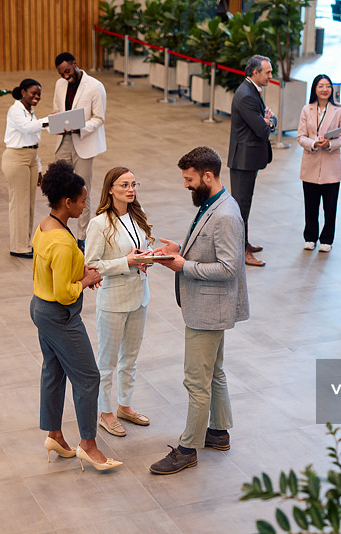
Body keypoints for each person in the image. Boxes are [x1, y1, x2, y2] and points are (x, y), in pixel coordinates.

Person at [149, 146, 249, 475]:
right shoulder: (213, 203)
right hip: (208, 306)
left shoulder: (224, 214)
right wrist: (179, 251)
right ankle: (218, 432)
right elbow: (209, 250)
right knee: (214, 372)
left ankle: (188, 447)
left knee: (196, 380)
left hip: (208, 310)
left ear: (208, 176)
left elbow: (229, 268)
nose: (185, 185)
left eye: (190, 179)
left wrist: (183, 265)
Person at [29, 159, 122, 472]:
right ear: (67, 202)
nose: (86, 205)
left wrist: (77, 270)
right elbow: (65, 292)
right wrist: (87, 280)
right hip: (60, 315)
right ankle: (88, 445)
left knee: (53, 372)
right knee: (88, 377)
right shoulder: (63, 242)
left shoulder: (46, 225)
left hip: (40, 308)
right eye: (82, 201)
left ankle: (54, 434)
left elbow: (51, 267)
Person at [84, 167, 153, 438]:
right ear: (110, 189)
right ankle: (105, 412)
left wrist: (148, 257)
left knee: (131, 358)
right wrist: (127, 261)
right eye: (124, 185)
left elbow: (142, 246)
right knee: (107, 361)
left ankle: (125, 406)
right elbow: (92, 265)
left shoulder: (138, 214)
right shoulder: (100, 223)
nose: (131, 189)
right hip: (113, 300)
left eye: (134, 184)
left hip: (140, 296)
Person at [53, 52, 107, 251]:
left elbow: (99, 118)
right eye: (61, 74)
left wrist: (79, 128)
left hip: (84, 142)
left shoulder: (95, 86)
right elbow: (58, 109)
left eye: (67, 71)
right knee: (60, 187)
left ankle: (82, 237)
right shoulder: (60, 85)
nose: (66, 76)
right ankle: (60, 229)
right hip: (63, 141)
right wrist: (56, 120)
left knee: (82, 190)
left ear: (75, 64)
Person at [227, 54, 277, 267]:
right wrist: (269, 122)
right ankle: (240, 252)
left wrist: (268, 120)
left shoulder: (251, 90)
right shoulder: (246, 94)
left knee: (244, 206)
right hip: (243, 161)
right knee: (240, 208)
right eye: (268, 72)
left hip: (249, 159)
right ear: (255, 72)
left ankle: (244, 243)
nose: (270, 76)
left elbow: (266, 119)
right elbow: (262, 128)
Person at [296, 74, 341, 253]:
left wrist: (329, 144)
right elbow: (300, 136)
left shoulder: (340, 110)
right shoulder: (306, 109)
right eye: (321, 86)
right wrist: (313, 143)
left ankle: (327, 239)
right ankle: (310, 237)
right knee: (310, 204)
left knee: (330, 206)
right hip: (310, 163)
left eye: (327, 86)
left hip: (330, 165)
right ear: (315, 89)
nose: (325, 89)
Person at [2, 78, 48, 258]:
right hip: (16, 158)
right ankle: (18, 246)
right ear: (23, 92)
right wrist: (50, 120)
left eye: (39, 95)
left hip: (30, 158)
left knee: (28, 204)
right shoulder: (15, 110)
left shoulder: (30, 112)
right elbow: (28, 129)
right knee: (19, 204)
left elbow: (34, 141)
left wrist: (38, 168)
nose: (36, 97)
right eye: (33, 93)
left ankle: (26, 243)